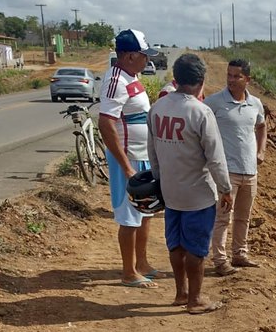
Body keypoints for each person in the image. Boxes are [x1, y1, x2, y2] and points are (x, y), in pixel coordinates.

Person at [147, 53, 233, 314]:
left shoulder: (157, 108)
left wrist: (160, 180)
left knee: (176, 245)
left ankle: (180, 293)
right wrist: (226, 188)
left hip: (171, 192)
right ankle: (195, 300)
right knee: (196, 248)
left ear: (175, 78)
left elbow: (153, 152)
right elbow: (215, 157)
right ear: (201, 81)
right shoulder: (200, 112)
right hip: (198, 194)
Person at [99, 29, 160, 288]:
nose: (148, 60)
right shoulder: (116, 81)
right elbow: (105, 124)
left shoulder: (131, 77)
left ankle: (141, 263)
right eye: (145, 55)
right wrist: (125, 167)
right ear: (130, 55)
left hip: (142, 155)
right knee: (129, 215)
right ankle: (128, 271)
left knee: (146, 211)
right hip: (129, 158)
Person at [204, 59, 266, 275]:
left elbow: (261, 126)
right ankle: (220, 261)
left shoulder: (255, 104)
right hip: (226, 172)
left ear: (247, 80)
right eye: (229, 75)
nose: (231, 80)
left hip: (250, 171)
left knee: (243, 216)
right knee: (223, 217)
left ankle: (240, 254)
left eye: (236, 76)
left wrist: (261, 151)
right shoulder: (214, 103)